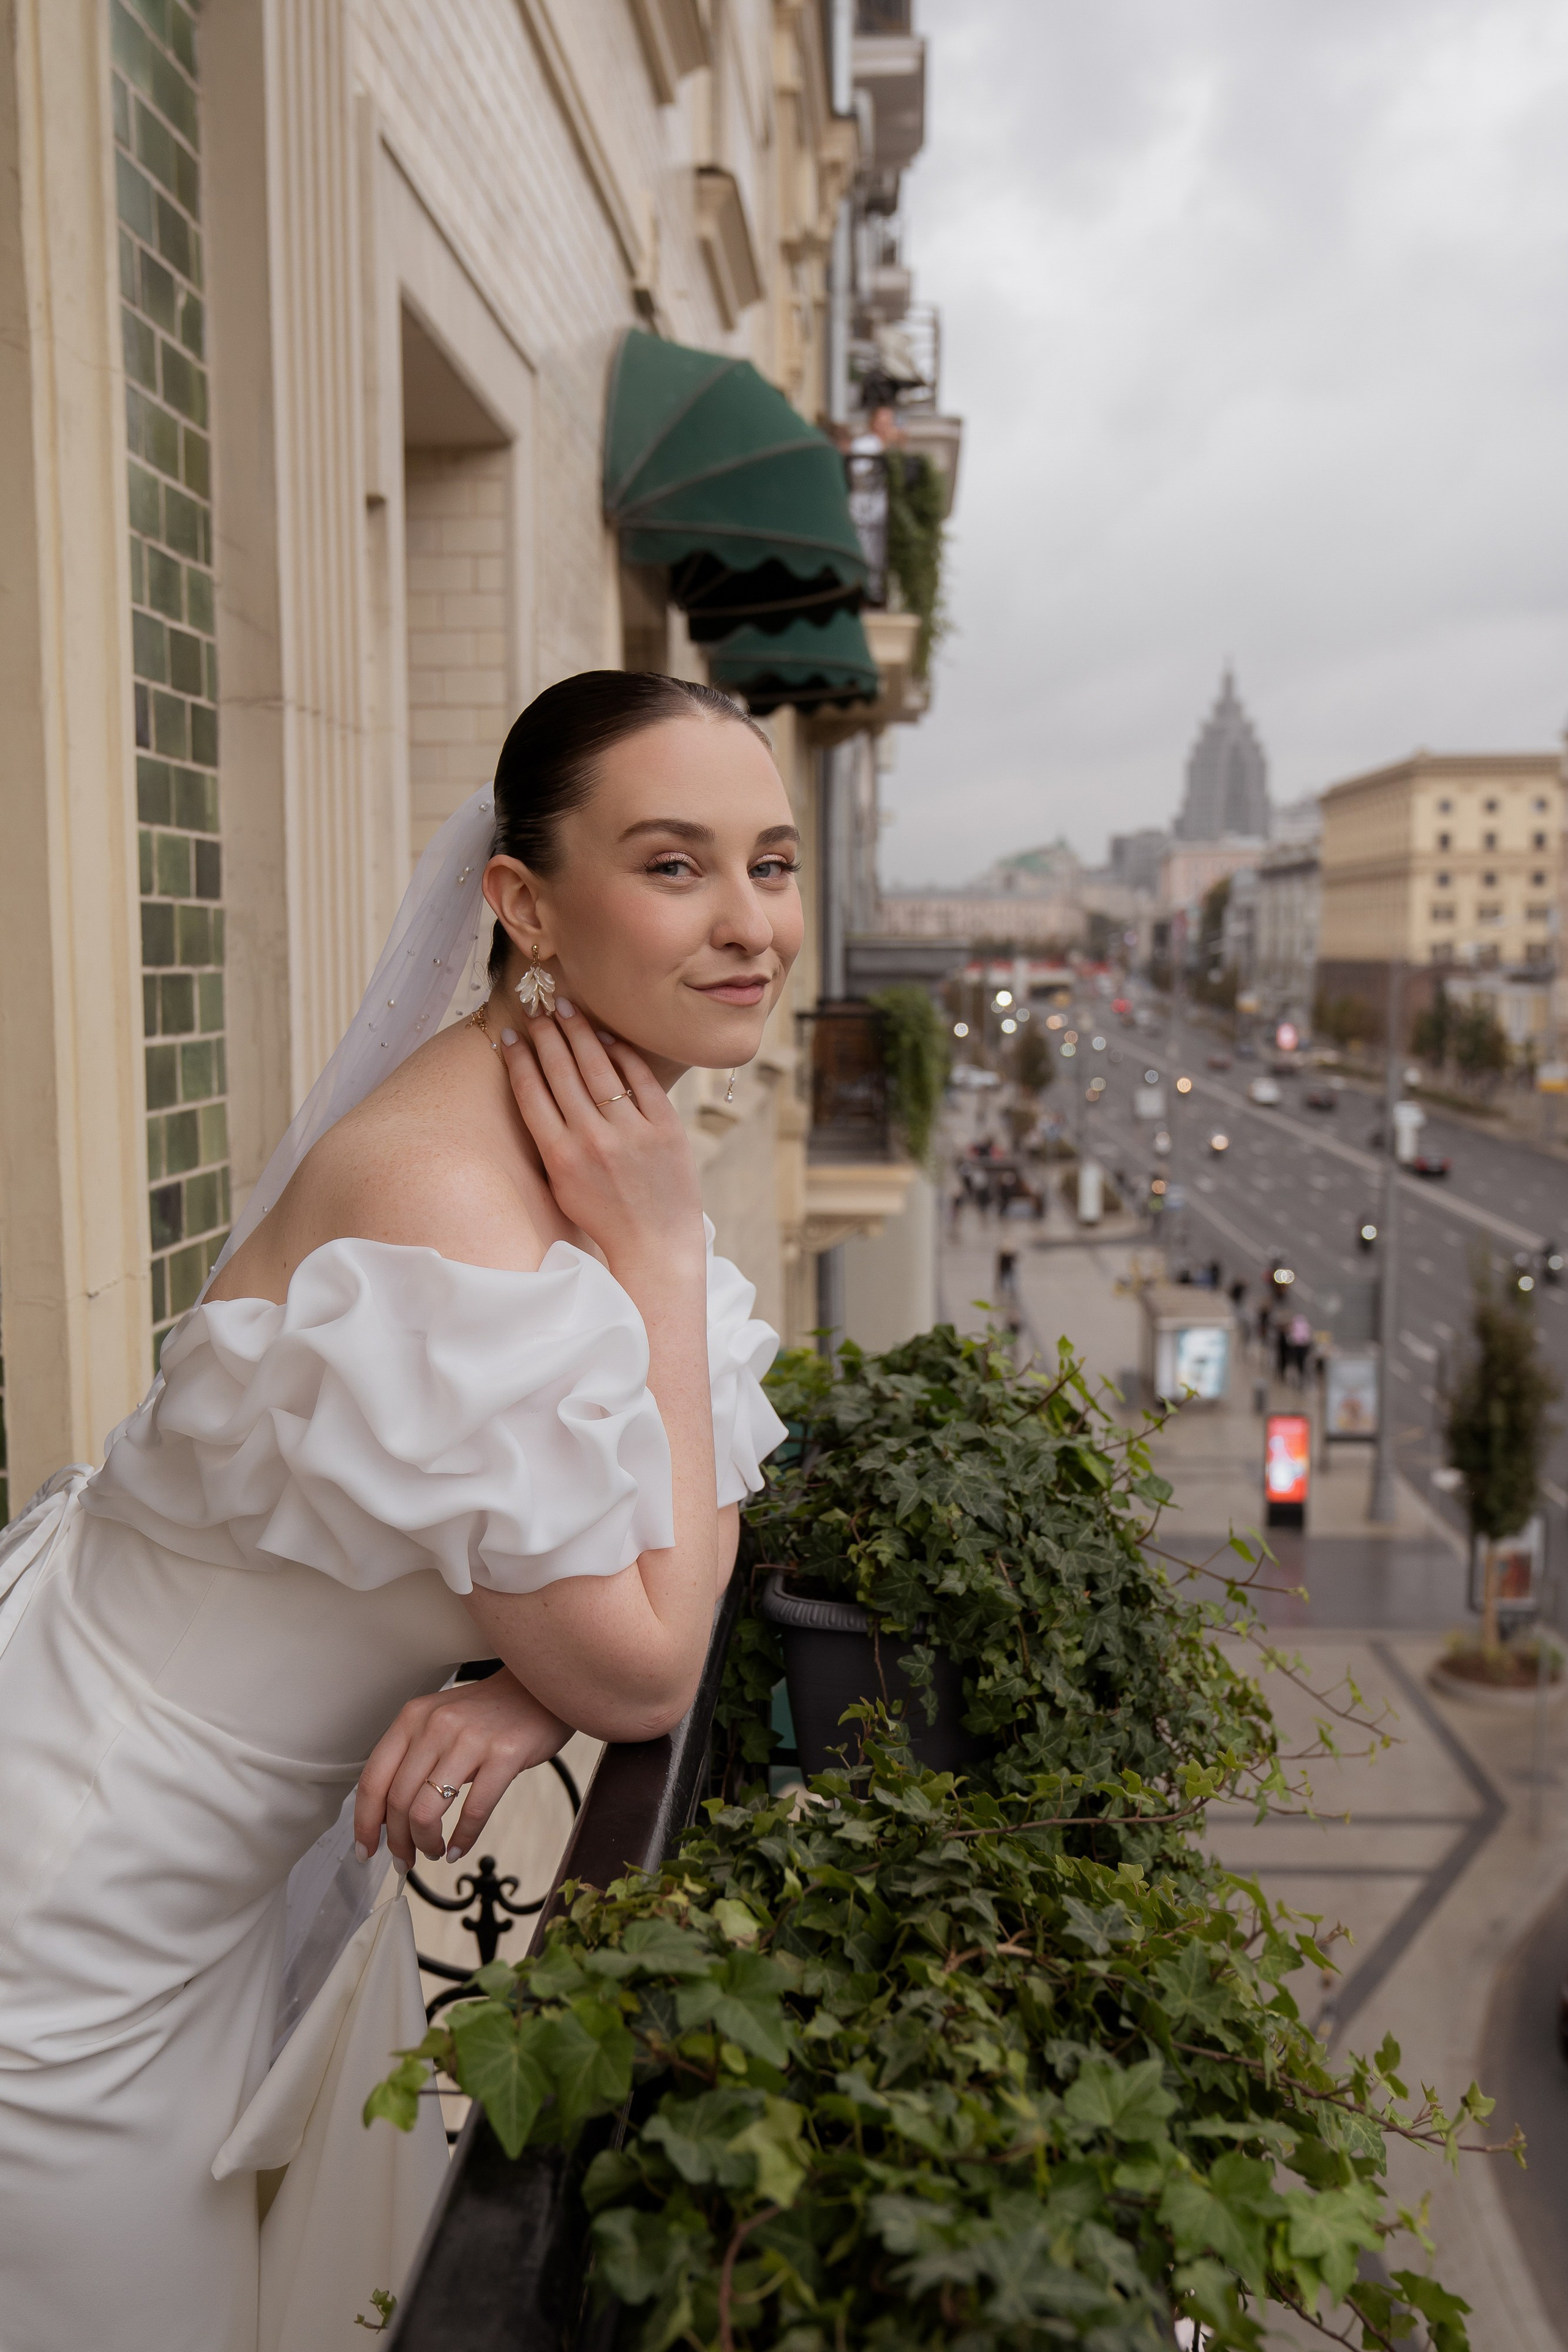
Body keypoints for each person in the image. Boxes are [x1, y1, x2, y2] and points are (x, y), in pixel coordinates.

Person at [0, 674, 796, 2352]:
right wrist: (655, 1258)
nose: (749, 925)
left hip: (180, 1882)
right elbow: (654, 1665)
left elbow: (689, 1475)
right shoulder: (456, 1198)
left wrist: (528, 1674)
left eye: (773, 864)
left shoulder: (587, 1118)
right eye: (673, 866)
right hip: (66, 1910)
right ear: (523, 904)